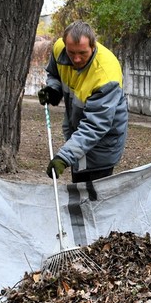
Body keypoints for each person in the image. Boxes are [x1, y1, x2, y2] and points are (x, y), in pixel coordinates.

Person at [39, 21, 128, 184]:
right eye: (71, 53)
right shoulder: (59, 49)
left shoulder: (106, 76)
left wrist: (64, 157)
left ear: (93, 46)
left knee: (95, 200)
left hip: (102, 146)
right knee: (79, 194)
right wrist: (53, 90)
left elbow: (94, 126)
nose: (76, 59)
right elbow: (54, 74)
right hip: (76, 136)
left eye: (82, 53)